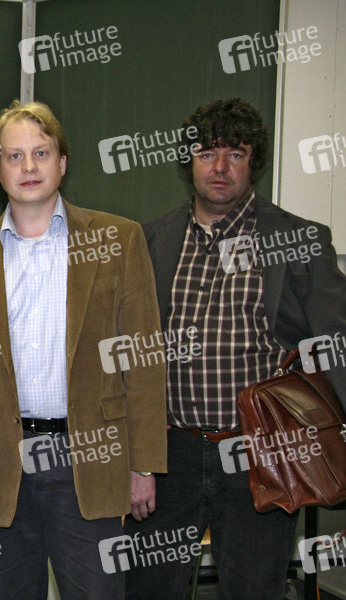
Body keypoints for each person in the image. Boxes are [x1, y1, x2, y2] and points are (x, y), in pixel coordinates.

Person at [124, 98, 346, 600]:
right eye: (207, 154)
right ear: (189, 162)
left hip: (260, 454)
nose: (219, 167)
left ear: (254, 163)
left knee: (253, 591)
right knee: (147, 590)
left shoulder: (299, 240)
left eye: (235, 154)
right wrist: (136, 453)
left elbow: (337, 344)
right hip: (169, 457)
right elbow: (131, 351)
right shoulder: (151, 240)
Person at [0, 100, 167, 600]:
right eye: (14, 156)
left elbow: (143, 361)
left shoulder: (118, 240)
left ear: (63, 162)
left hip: (90, 461)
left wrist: (144, 466)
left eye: (41, 153)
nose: (28, 167)